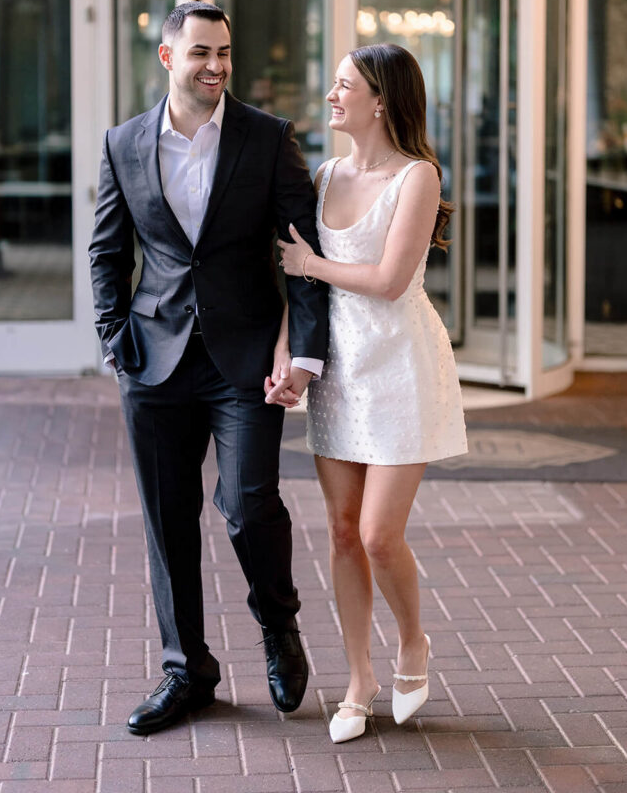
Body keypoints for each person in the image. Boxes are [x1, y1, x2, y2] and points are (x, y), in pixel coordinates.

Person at [89, 1, 329, 735]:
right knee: (167, 522)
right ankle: (184, 670)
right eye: (200, 52)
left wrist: (305, 353)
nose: (216, 65)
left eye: (224, 51)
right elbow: (107, 249)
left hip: (246, 360)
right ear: (168, 58)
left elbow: (304, 260)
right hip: (154, 360)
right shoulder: (123, 142)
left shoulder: (268, 138)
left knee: (249, 503)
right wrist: (113, 337)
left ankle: (278, 624)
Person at [275, 43, 468, 743]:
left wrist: (311, 261)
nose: (332, 96)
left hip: (398, 370)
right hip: (339, 376)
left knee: (380, 535)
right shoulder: (324, 175)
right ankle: (359, 678)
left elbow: (389, 280)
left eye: (343, 86)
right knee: (341, 531)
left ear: (380, 100)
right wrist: (288, 363)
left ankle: (412, 642)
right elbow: (300, 292)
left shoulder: (418, 176)